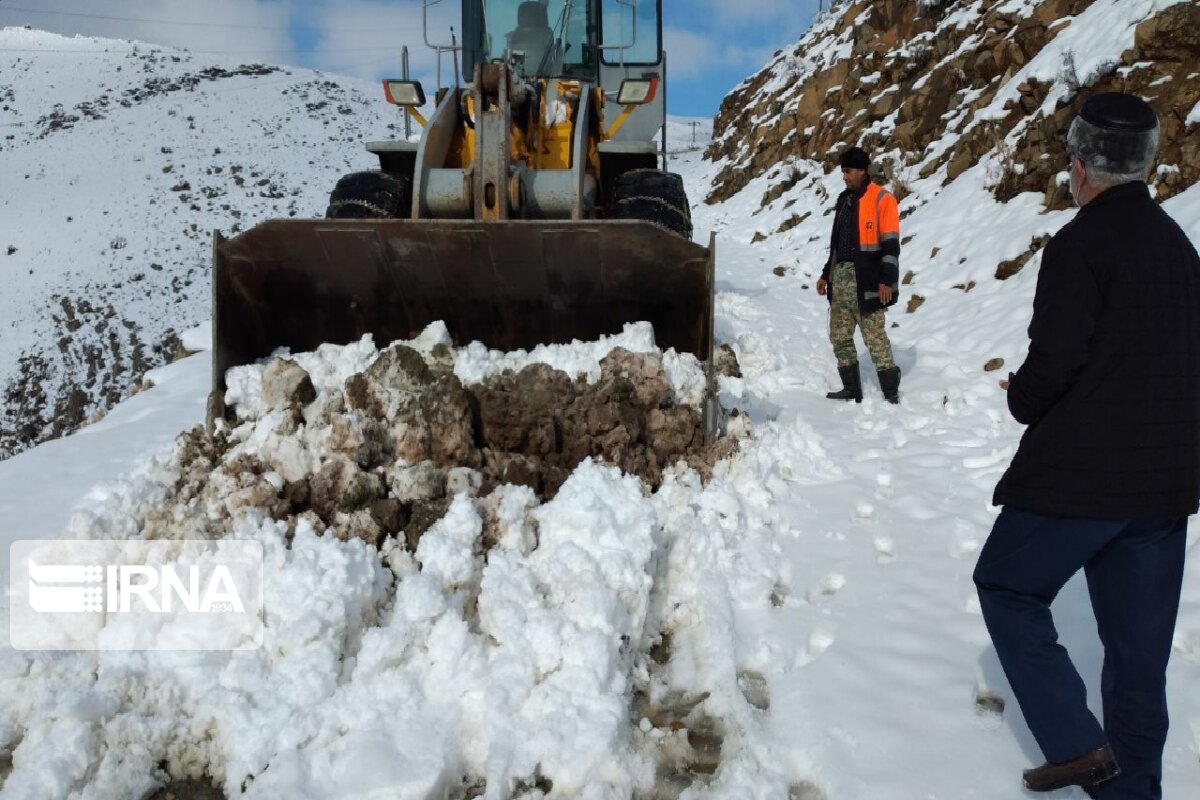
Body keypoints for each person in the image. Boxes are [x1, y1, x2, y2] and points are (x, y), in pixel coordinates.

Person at [973, 92, 1200, 799]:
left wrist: (1019, 396)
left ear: (1081, 167)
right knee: (1136, 662)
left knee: (1007, 584)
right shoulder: (1179, 246)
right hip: (1163, 487)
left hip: (1084, 478)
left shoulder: (1079, 245)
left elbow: (1057, 363)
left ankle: (1076, 748)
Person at [817, 146, 902, 403]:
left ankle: (890, 392)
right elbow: (836, 245)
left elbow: (890, 245)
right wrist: (825, 275)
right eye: (843, 171)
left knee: (874, 338)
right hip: (840, 278)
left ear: (863, 171)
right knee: (839, 336)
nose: (844, 176)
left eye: (849, 171)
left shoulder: (882, 199)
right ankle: (852, 389)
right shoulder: (844, 200)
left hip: (869, 279)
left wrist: (887, 280)